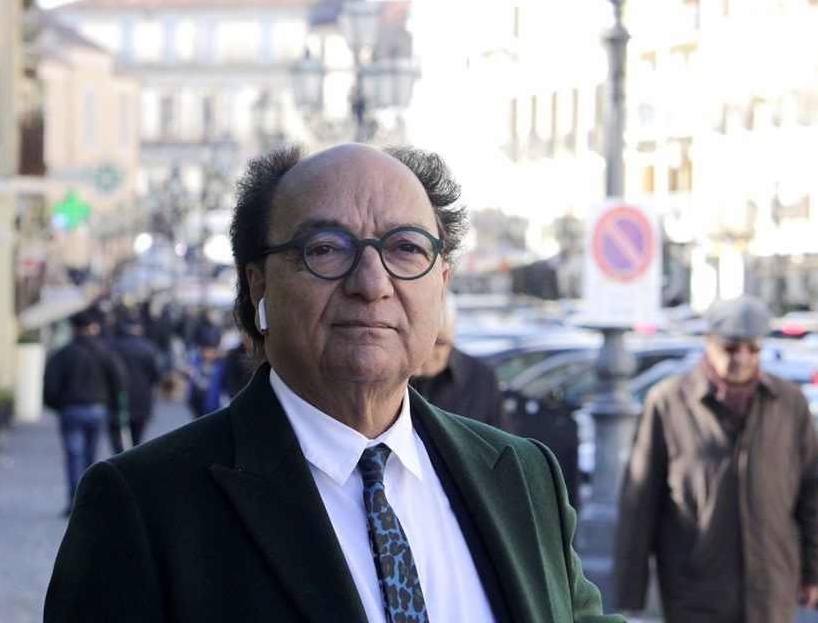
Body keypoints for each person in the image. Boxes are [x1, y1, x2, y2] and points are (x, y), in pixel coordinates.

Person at [45, 144, 623, 622]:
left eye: (405, 249)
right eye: (325, 249)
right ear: (258, 286)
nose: (371, 283)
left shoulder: (522, 476)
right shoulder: (144, 506)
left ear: (441, 284)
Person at [613, 294, 818, 623]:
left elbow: (811, 492)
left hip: (771, 587)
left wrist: (813, 571)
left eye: (753, 349)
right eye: (731, 348)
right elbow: (640, 497)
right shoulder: (669, 402)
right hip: (694, 588)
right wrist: (630, 591)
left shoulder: (788, 402)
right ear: (709, 341)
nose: (742, 358)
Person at [43, 310, 126, 517]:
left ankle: (75, 501)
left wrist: (60, 406)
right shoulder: (104, 351)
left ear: (73, 329)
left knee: (74, 456)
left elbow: (50, 386)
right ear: (93, 328)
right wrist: (113, 406)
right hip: (98, 408)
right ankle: (89, 500)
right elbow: (119, 381)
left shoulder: (63, 353)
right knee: (91, 456)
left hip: (71, 409)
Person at [411, 295, 505, 428]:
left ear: (452, 333)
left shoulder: (480, 377)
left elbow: (499, 435)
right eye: (421, 339)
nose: (429, 351)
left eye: (439, 342)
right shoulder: (394, 374)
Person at [107, 314, 161, 453]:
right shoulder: (148, 347)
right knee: (137, 440)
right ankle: (133, 461)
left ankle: (120, 461)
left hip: (117, 400)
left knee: (118, 439)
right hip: (141, 400)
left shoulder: (112, 347)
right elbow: (156, 375)